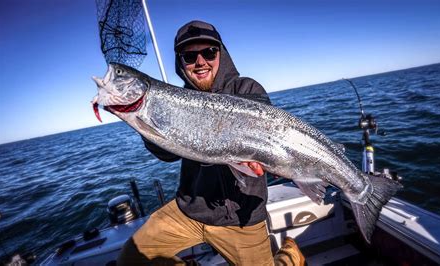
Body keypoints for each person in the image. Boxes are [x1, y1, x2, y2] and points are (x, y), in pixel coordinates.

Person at [117, 20, 305, 266]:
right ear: (180, 62)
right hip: (190, 208)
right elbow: (167, 155)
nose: (200, 62)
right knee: (130, 260)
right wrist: (142, 118)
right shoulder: (176, 100)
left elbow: (268, 140)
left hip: (240, 215)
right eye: (189, 55)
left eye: (208, 52)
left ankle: (290, 256)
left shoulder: (246, 88)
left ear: (221, 54)